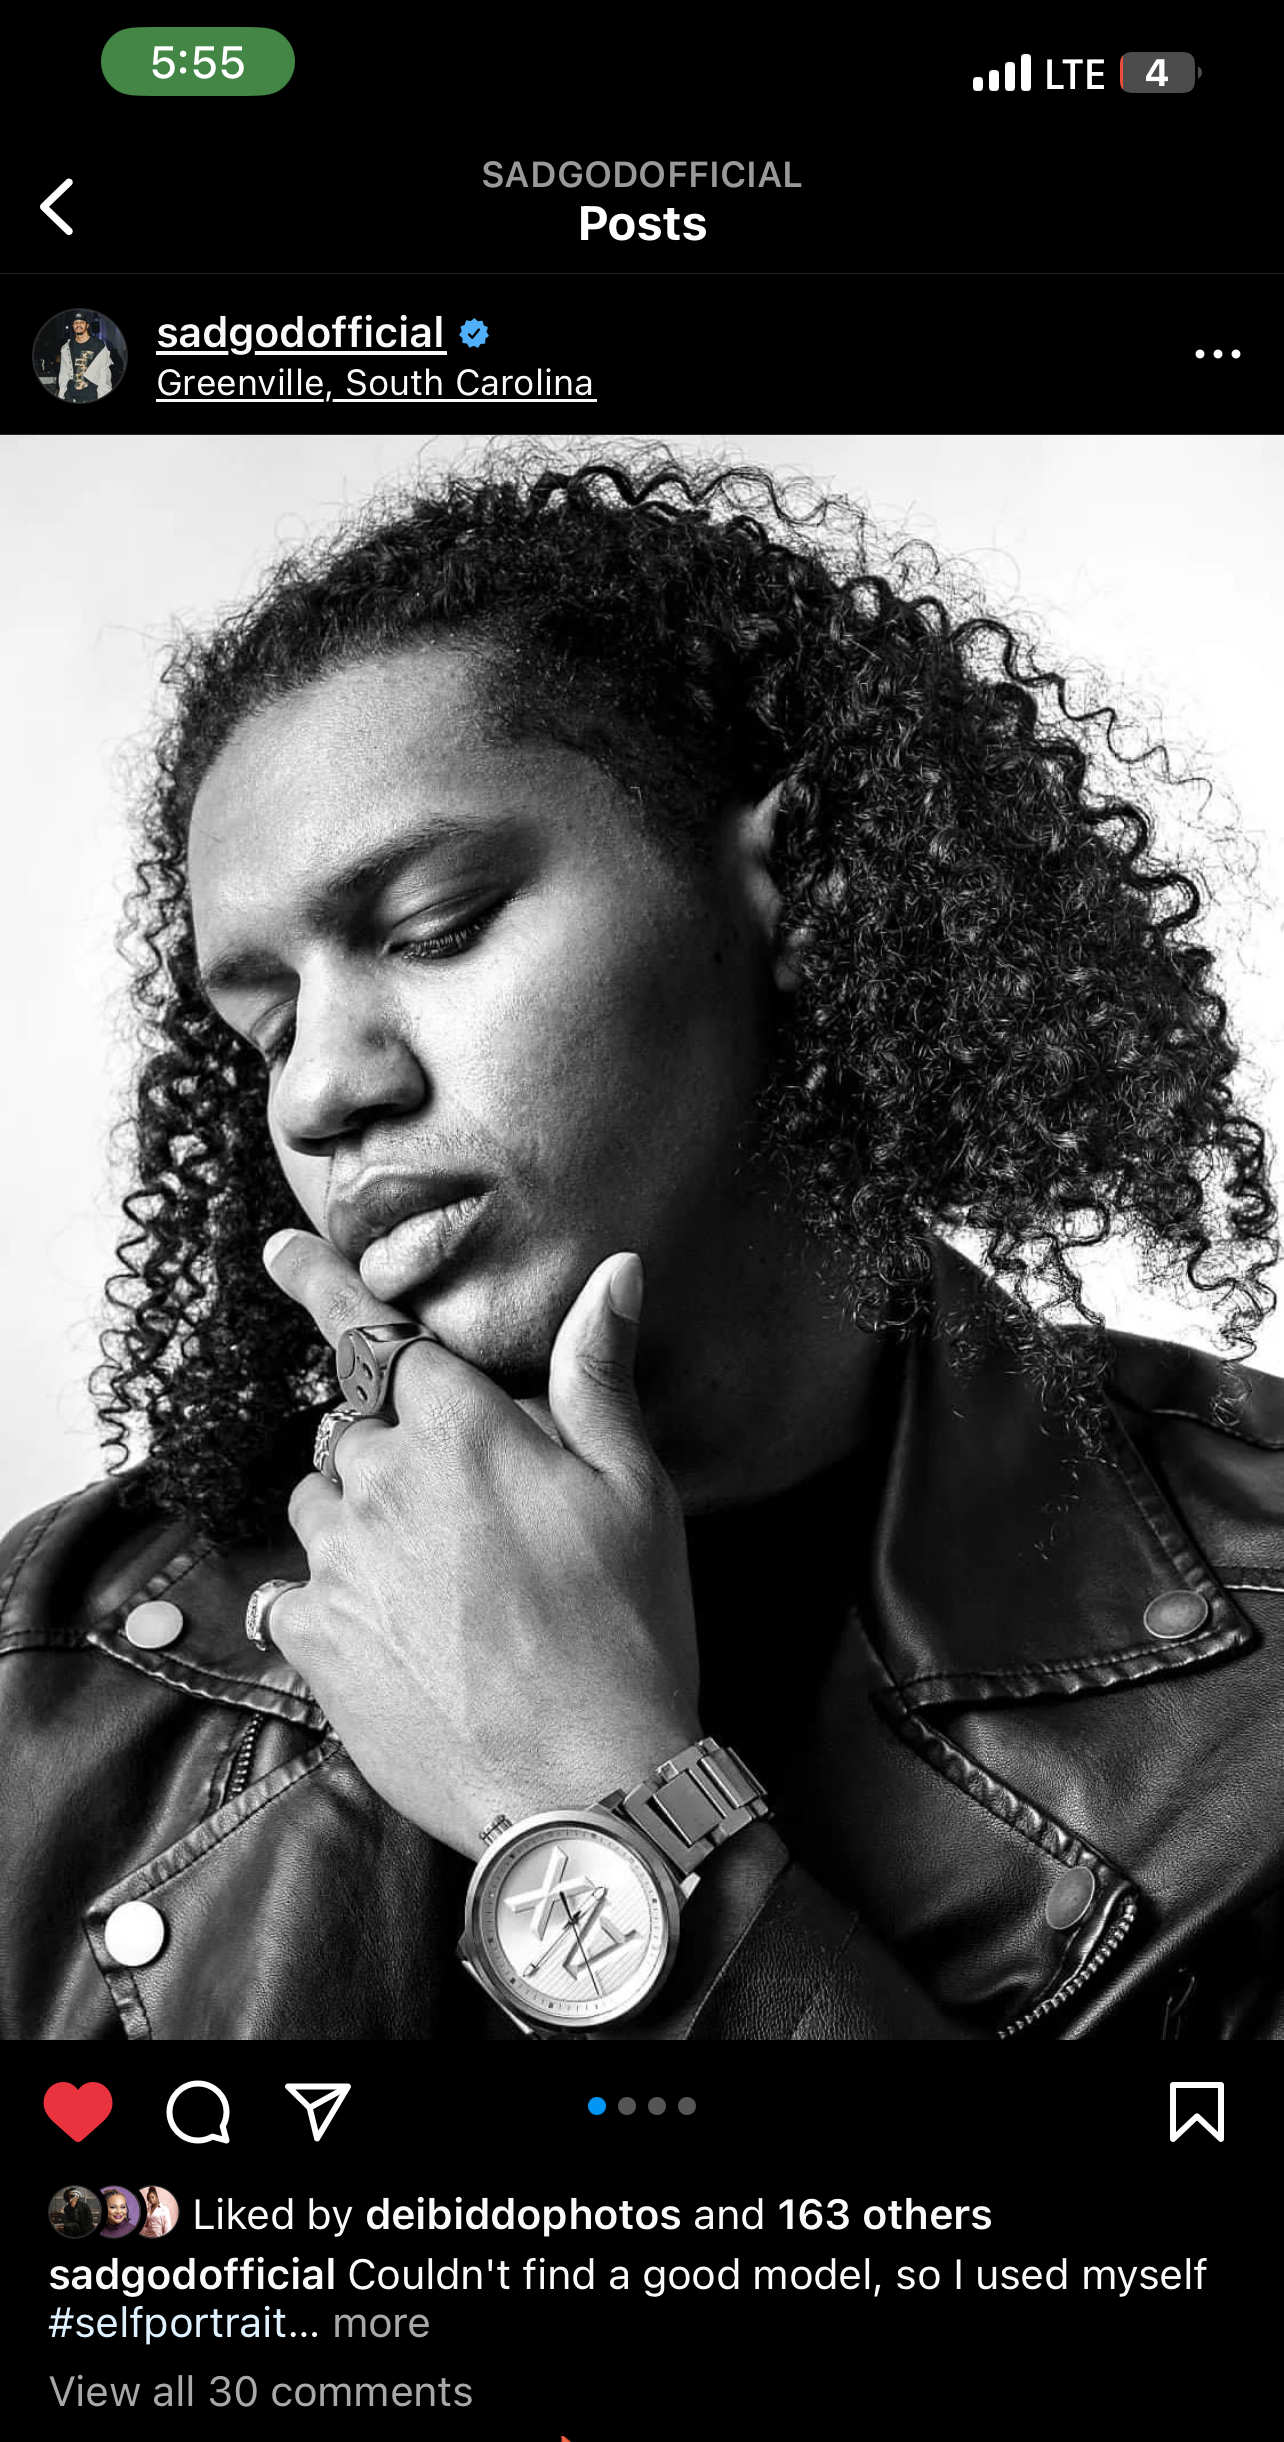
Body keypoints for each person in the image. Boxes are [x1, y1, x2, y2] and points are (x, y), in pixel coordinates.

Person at [1, 448, 1282, 2044]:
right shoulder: (47, 1670)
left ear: (793, 885)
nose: (323, 1092)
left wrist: (598, 1793)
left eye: (433, 929)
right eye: (265, 1027)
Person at [58, 311, 113, 405]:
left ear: (87, 325)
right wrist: (62, 395)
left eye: (82, 322)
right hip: (71, 398)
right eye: (76, 322)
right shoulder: (66, 347)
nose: (78, 324)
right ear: (73, 326)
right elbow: (63, 375)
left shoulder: (99, 346)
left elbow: (104, 377)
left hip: (91, 398)